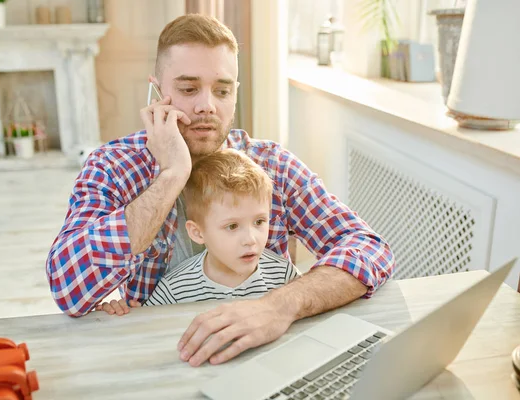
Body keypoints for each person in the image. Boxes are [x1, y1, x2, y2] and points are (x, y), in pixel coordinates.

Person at [46, 14, 395, 367]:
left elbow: (368, 248)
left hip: (263, 359)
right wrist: (172, 175)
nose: (206, 106)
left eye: (222, 90)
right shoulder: (113, 166)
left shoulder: (271, 164)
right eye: (187, 89)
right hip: (165, 359)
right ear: (156, 92)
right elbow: (67, 287)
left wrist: (279, 306)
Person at [97, 149, 300, 309]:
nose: (250, 239)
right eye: (232, 226)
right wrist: (123, 313)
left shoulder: (283, 274)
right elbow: (148, 328)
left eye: (259, 222)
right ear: (197, 232)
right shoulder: (175, 288)